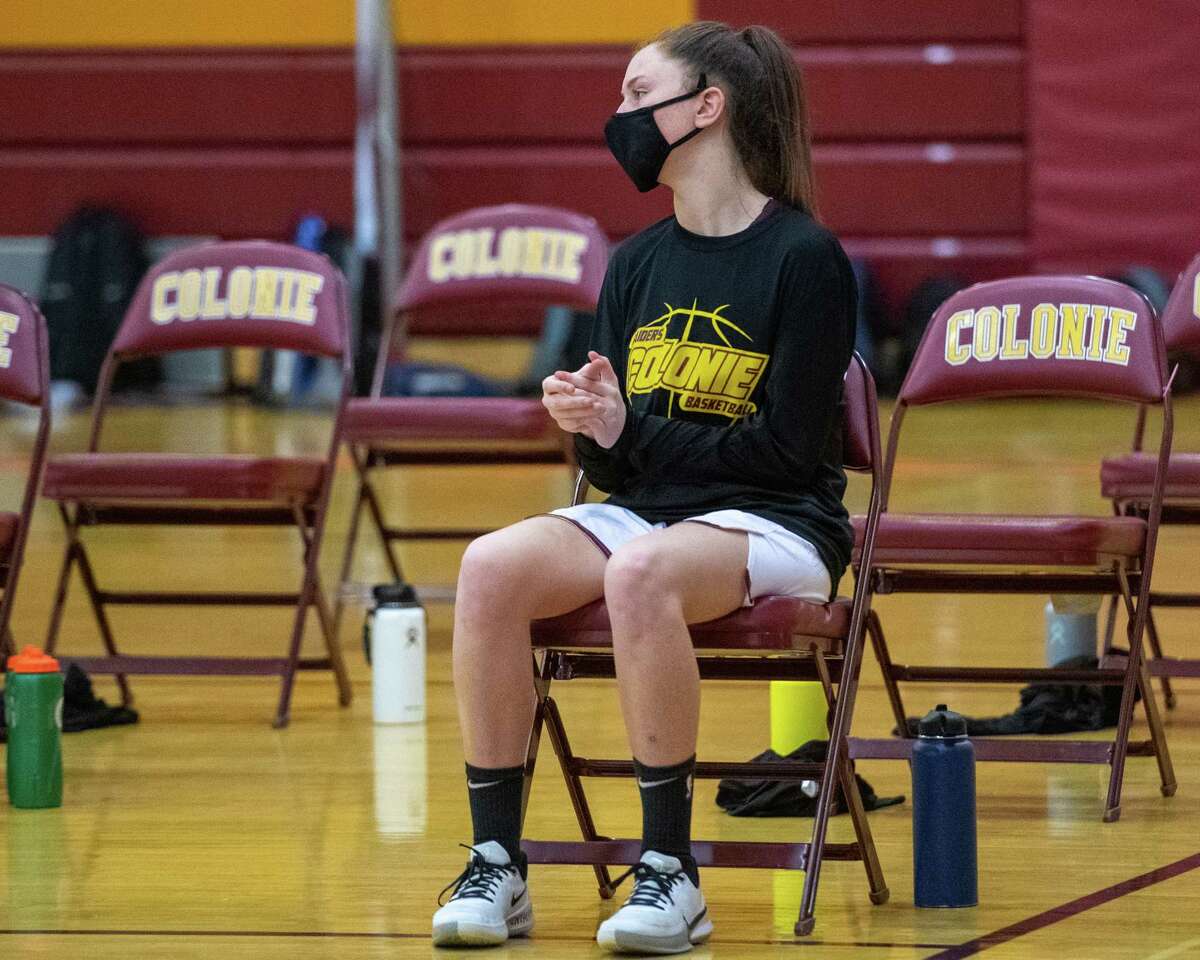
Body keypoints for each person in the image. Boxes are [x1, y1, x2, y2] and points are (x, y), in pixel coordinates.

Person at [432, 20, 857, 953]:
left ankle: (670, 873)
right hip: (649, 509)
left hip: (779, 520)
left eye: (636, 95)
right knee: (489, 568)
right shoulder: (634, 264)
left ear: (706, 108)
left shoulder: (805, 259)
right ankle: (496, 862)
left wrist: (637, 433)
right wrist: (595, 426)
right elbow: (620, 471)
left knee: (642, 575)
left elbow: (787, 453)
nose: (619, 116)